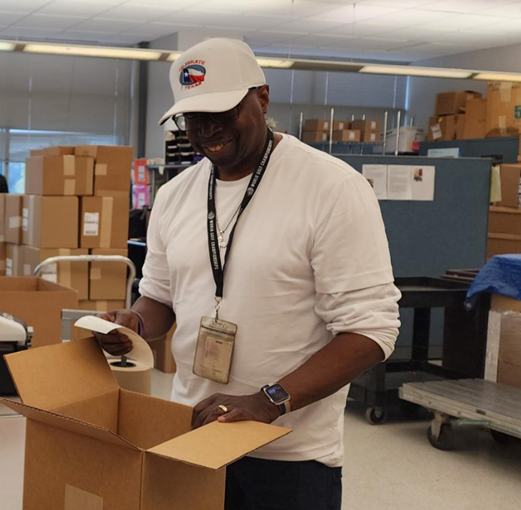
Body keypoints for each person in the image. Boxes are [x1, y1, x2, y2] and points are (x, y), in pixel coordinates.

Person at [98, 38, 400, 510]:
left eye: (222, 113)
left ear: (261, 97)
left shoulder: (332, 188)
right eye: (193, 119)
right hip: (191, 438)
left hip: (288, 454)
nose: (207, 132)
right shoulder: (176, 195)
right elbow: (159, 296)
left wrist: (266, 401)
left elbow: (370, 331)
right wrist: (134, 325)